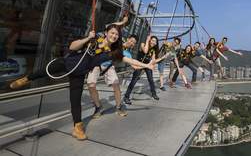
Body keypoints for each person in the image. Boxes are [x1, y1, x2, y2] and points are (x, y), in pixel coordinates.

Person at [9, 25, 155, 141]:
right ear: (106, 32)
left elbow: (130, 60)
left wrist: (147, 66)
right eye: (112, 33)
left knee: (75, 100)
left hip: (78, 74)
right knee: (43, 71)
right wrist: (87, 39)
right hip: (68, 63)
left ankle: (77, 127)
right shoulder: (93, 39)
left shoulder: (113, 52)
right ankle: (25, 79)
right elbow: (73, 46)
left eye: (116, 34)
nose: (114, 36)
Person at [87, 34, 138, 119]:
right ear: (128, 38)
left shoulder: (127, 53)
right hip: (97, 63)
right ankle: (98, 107)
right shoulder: (117, 42)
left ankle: (118, 107)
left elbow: (134, 65)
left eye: (134, 43)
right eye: (131, 41)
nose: (132, 43)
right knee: (91, 84)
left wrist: (147, 66)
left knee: (116, 84)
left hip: (109, 66)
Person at [123, 35, 167, 105]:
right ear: (149, 40)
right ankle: (126, 96)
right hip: (139, 63)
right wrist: (147, 40)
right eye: (152, 40)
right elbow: (145, 51)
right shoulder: (143, 44)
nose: (153, 42)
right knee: (134, 80)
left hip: (147, 65)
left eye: (155, 41)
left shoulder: (154, 50)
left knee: (151, 79)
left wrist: (161, 59)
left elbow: (153, 60)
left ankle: (153, 94)